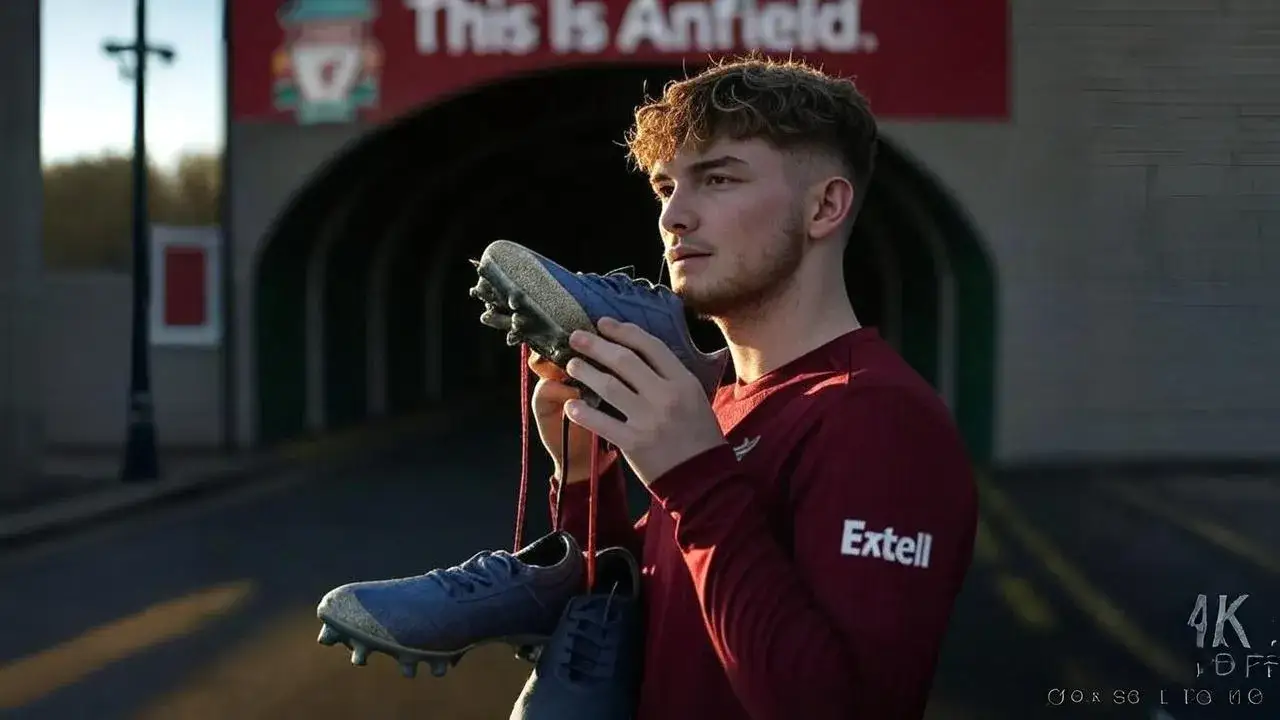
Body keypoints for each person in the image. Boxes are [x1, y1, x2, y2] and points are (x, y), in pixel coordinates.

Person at [526, 56, 979, 720]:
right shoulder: (719, 401)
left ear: (825, 206)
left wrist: (694, 480)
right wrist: (581, 477)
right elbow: (654, 613)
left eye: (718, 180)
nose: (673, 217)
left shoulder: (878, 418)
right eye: (664, 188)